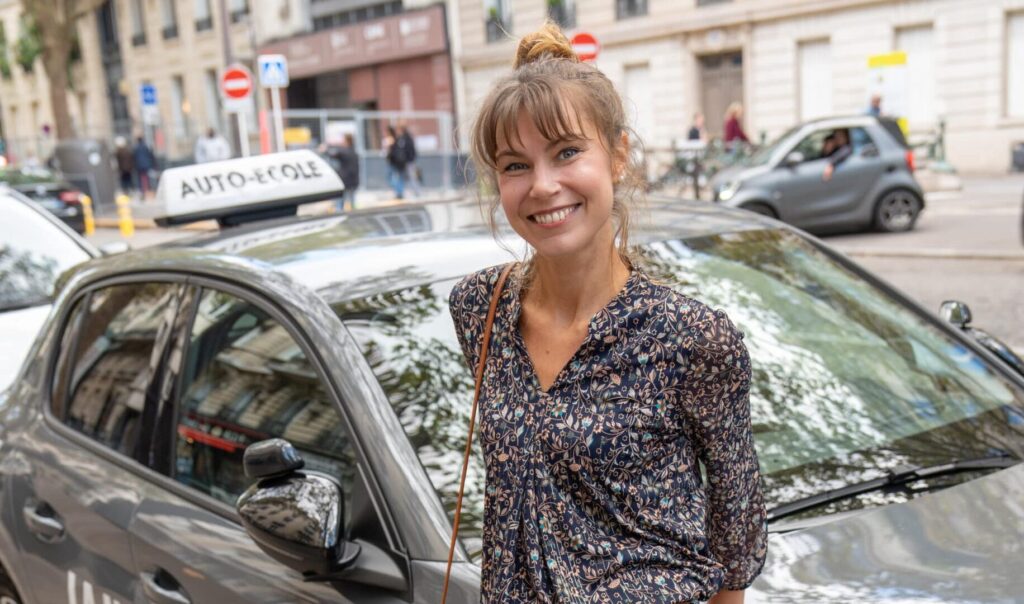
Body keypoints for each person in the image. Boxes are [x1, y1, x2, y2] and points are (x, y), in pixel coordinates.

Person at [450, 21, 767, 604]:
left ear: (618, 156)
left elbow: (734, 544)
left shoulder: (691, 337)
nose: (543, 186)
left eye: (567, 153)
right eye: (515, 165)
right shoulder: (479, 309)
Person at [334, 133, 360, 211]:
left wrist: (325, 150)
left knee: (340, 201)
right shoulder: (353, 151)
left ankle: (338, 214)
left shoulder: (344, 152)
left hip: (345, 180)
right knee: (352, 201)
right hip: (352, 180)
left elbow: (333, 154)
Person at [397, 120, 422, 197]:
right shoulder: (406, 137)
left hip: (409, 161)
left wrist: (407, 159)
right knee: (408, 177)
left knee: (412, 177)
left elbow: (408, 150)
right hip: (408, 160)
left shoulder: (405, 138)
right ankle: (405, 192)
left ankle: (417, 193)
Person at [384, 125, 407, 199]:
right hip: (397, 162)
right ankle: (399, 192)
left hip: (393, 162)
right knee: (399, 177)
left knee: (392, 177)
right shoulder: (397, 139)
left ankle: (399, 191)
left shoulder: (391, 140)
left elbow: (388, 151)